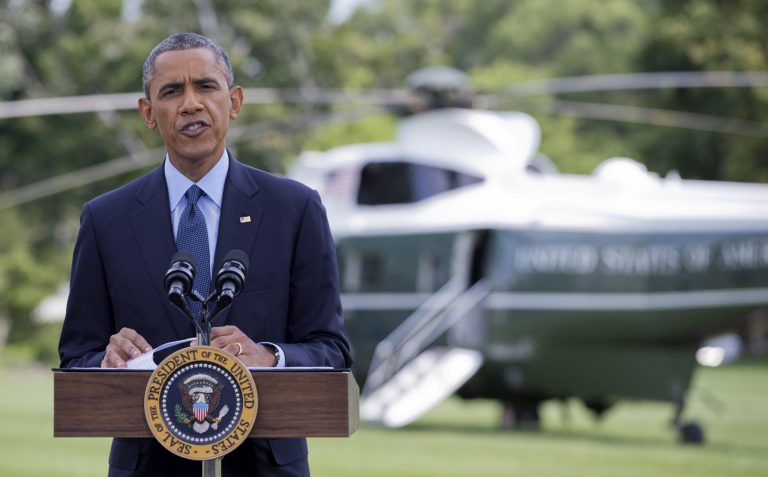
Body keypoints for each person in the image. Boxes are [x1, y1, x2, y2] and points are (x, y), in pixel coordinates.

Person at [58, 32, 352, 477]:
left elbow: (332, 350)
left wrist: (270, 357)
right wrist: (107, 359)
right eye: (171, 91)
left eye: (206, 87)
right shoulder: (105, 220)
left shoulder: (295, 209)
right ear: (148, 113)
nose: (190, 104)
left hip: (265, 467)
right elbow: (77, 357)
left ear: (234, 102)